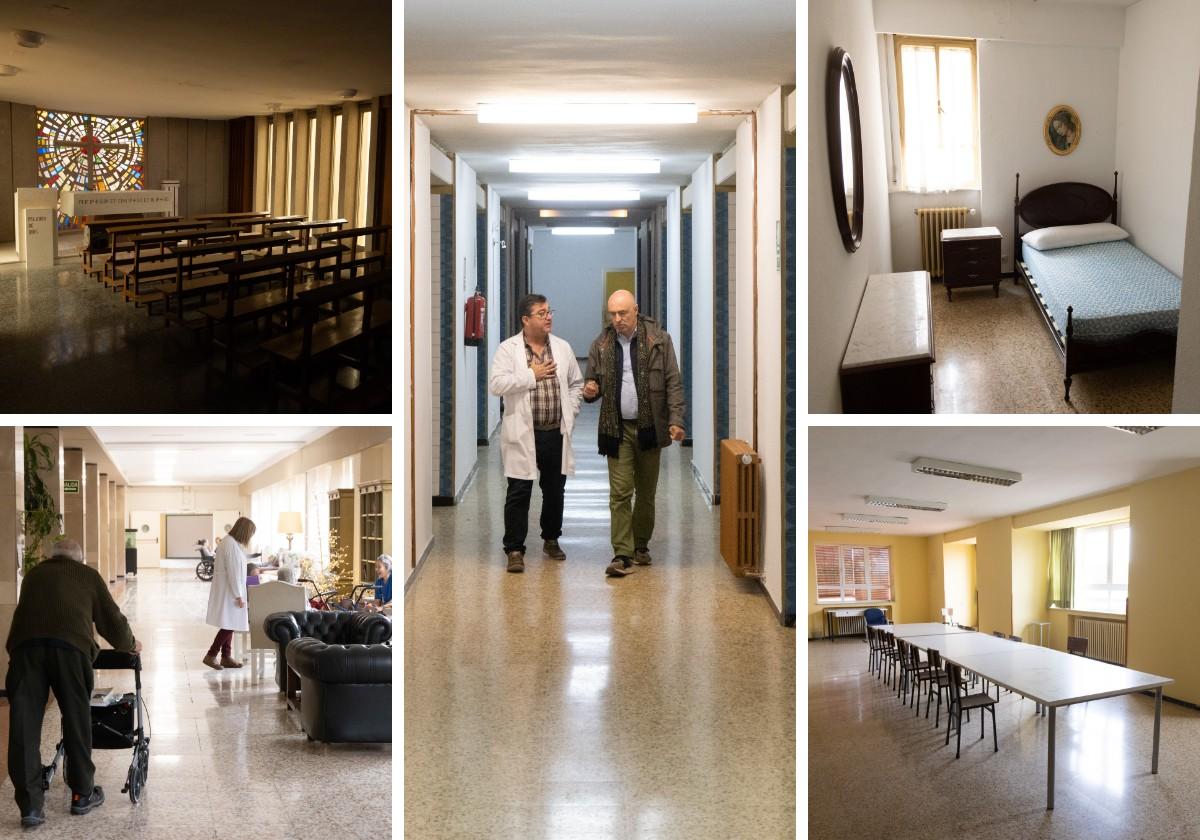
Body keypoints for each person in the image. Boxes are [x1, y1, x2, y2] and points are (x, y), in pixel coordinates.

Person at [5, 539, 141, 828]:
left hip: (25, 650)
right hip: (70, 652)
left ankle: (30, 807)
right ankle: (82, 793)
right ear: (78, 560)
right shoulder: (87, 575)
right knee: (77, 720)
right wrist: (129, 644)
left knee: (23, 727)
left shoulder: (34, 574)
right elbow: (111, 620)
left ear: (50, 557)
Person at [583, 289, 686, 578]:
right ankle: (622, 553)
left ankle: (641, 545)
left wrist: (676, 420)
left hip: (649, 427)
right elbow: (592, 382)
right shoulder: (601, 344)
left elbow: (673, 382)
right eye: (612, 314)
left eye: (622, 313)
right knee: (619, 493)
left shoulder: (659, 341)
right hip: (616, 429)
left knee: (646, 493)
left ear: (636, 310)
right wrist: (590, 389)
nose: (617, 319)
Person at [489, 293, 584, 573]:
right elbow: (496, 384)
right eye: (541, 313)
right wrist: (532, 375)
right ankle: (515, 548)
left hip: (555, 432)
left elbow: (576, 383)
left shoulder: (563, 348)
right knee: (519, 491)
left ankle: (551, 539)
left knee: (555, 490)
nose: (548, 317)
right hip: (523, 434)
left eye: (549, 311)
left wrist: (572, 409)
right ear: (525, 319)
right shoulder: (508, 350)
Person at [203, 516, 255, 670]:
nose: (250, 537)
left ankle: (226, 657)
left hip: (230, 589)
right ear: (244, 531)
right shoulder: (230, 544)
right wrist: (239, 594)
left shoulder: (231, 542)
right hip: (231, 591)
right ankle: (211, 655)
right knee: (229, 624)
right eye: (250, 533)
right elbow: (233, 572)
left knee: (230, 622)